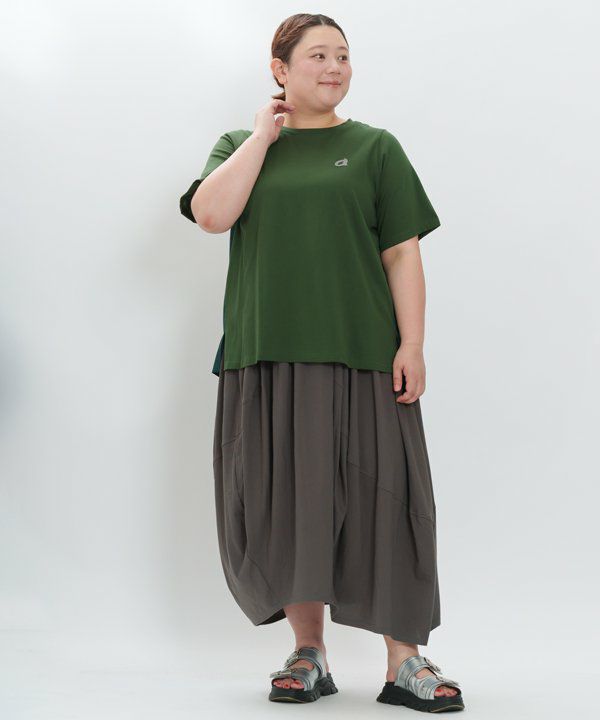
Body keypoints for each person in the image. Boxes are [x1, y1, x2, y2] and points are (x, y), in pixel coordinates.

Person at [179, 12, 465, 713]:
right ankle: (309, 654)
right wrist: (263, 136)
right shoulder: (238, 146)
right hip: (266, 353)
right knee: (290, 506)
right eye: (317, 56)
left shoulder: (375, 148)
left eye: (342, 55)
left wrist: (412, 344)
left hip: (362, 351)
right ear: (279, 69)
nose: (334, 67)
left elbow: (402, 253)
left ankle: (405, 661)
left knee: (388, 499)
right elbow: (211, 215)